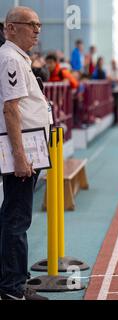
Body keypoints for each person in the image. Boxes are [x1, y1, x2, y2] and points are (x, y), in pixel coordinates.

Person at [0, 6, 51, 300]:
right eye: (31, 25)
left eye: (39, 25)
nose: (37, 30)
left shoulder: (19, 59)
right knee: (17, 218)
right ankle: (13, 288)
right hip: (23, 152)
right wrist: (20, 157)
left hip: (32, 147)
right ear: (10, 28)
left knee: (12, 215)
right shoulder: (10, 59)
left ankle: (10, 281)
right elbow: (11, 109)